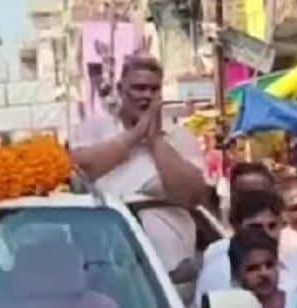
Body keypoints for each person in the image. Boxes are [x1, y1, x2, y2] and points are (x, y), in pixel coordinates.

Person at [70, 55, 210, 275]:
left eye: (154, 89)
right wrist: (134, 136)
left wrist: (156, 142)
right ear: (120, 88)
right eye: (139, 88)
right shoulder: (92, 131)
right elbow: (81, 171)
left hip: (172, 271)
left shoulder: (180, 138)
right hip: (106, 266)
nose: (146, 95)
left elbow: (192, 194)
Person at [193, 188, 297, 308]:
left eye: (272, 226)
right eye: (256, 227)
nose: (266, 234)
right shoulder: (218, 271)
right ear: (236, 227)